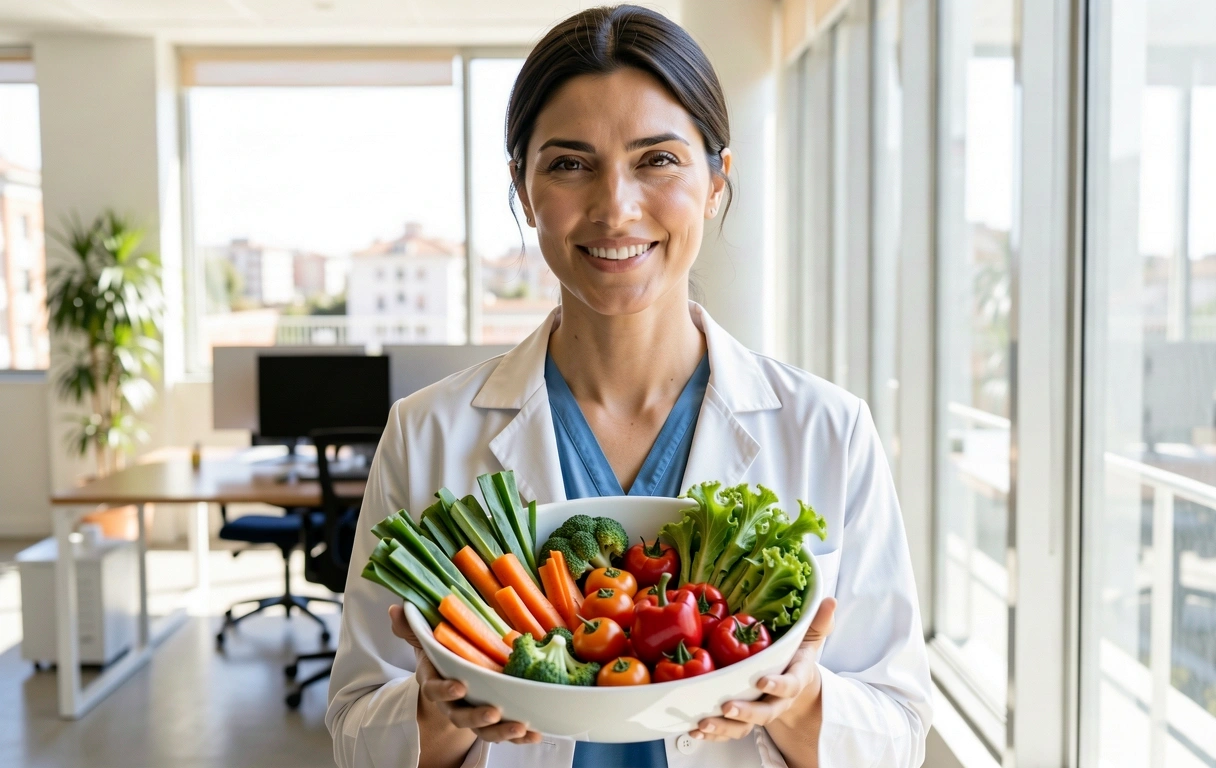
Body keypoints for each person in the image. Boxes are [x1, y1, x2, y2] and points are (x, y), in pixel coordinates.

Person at [326, 6, 931, 767]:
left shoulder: (829, 431)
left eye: (659, 160)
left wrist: (801, 700)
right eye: (570, 163)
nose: (616, 206)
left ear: (716, 181)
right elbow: (354, 731)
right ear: (523, 188)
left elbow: (899, 729)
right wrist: (440, 710)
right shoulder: (426, 433)